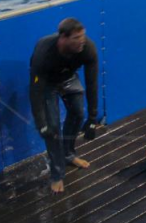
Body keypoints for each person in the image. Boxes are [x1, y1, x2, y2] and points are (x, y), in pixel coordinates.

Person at [29, 18, 99, 193]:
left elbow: (92, 84)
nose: (82, 40)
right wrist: (41, 124)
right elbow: (35, 91)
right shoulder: (44, 53)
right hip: (47, 85)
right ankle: (57, 174)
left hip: (68, 77)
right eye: (76, 37)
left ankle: (68, 154)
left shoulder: (87, 48)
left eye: (83, 35)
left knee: (78, 113)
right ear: (63, 39)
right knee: (52, 128)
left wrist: (92, 118)